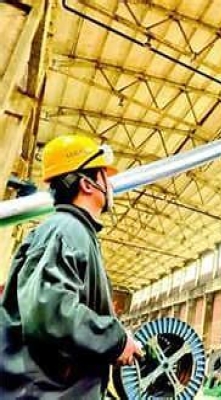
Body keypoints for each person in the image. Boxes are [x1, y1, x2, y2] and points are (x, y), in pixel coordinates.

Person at [0, 135, 143, 399]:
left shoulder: (72, 233)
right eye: (104, 176)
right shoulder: (67, 230)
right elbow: (49, 310)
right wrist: (116, 341)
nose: (110, 185)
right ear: (88, 184)